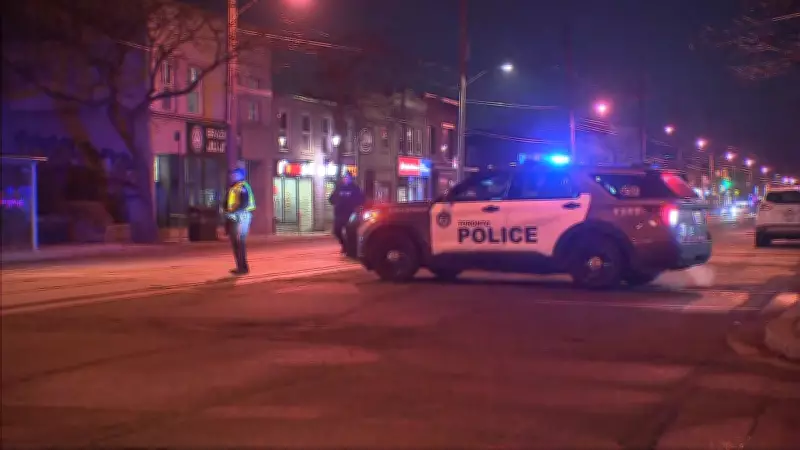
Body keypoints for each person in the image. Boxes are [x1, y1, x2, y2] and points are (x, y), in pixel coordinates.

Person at [225, 168, 255, 275]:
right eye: (232, 175)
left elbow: (244, 203)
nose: (232, 176)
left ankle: (243, 268)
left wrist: (234, 213)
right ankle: (240, 267)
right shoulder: (233, 187)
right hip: (235, 218)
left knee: (239, 242)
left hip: (242, 218)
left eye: (235, 175)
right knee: (236, 243)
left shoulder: (243, 187)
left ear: (240, 176)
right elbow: (229, 204)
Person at [328, 172, 364, 254]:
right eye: (344, 177)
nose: (345, 179)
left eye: (347, 177)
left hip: (350, 214)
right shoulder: (339, 188)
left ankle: (351, 249)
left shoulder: (355, 188)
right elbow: (331, 199)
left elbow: (361, 199)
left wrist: (355, 206)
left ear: (351, 179)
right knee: (337, 231)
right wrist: (336, 201)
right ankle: (344, 245)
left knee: (350, 232)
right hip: (339, 214)